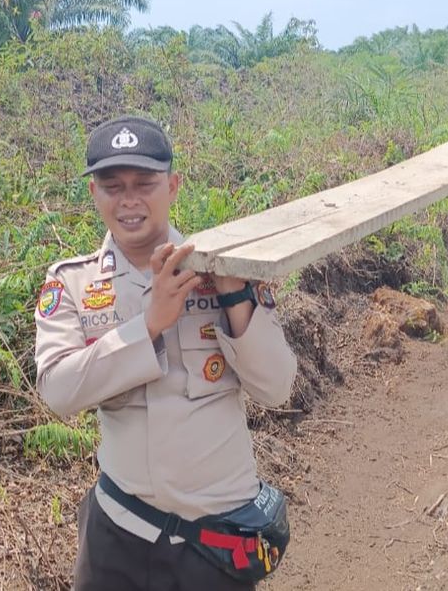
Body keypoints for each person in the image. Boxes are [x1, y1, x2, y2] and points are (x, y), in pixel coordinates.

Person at [34, 114, 298, 590]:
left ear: (173, 186)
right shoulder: (71, 282)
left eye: (144, 183)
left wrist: (235, 295)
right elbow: (58, 390)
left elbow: (276, 388)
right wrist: (149, 324)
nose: (129, 200)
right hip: (117, 532)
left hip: (214, 540)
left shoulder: (225, 268)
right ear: (93, 193)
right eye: (112, 186)